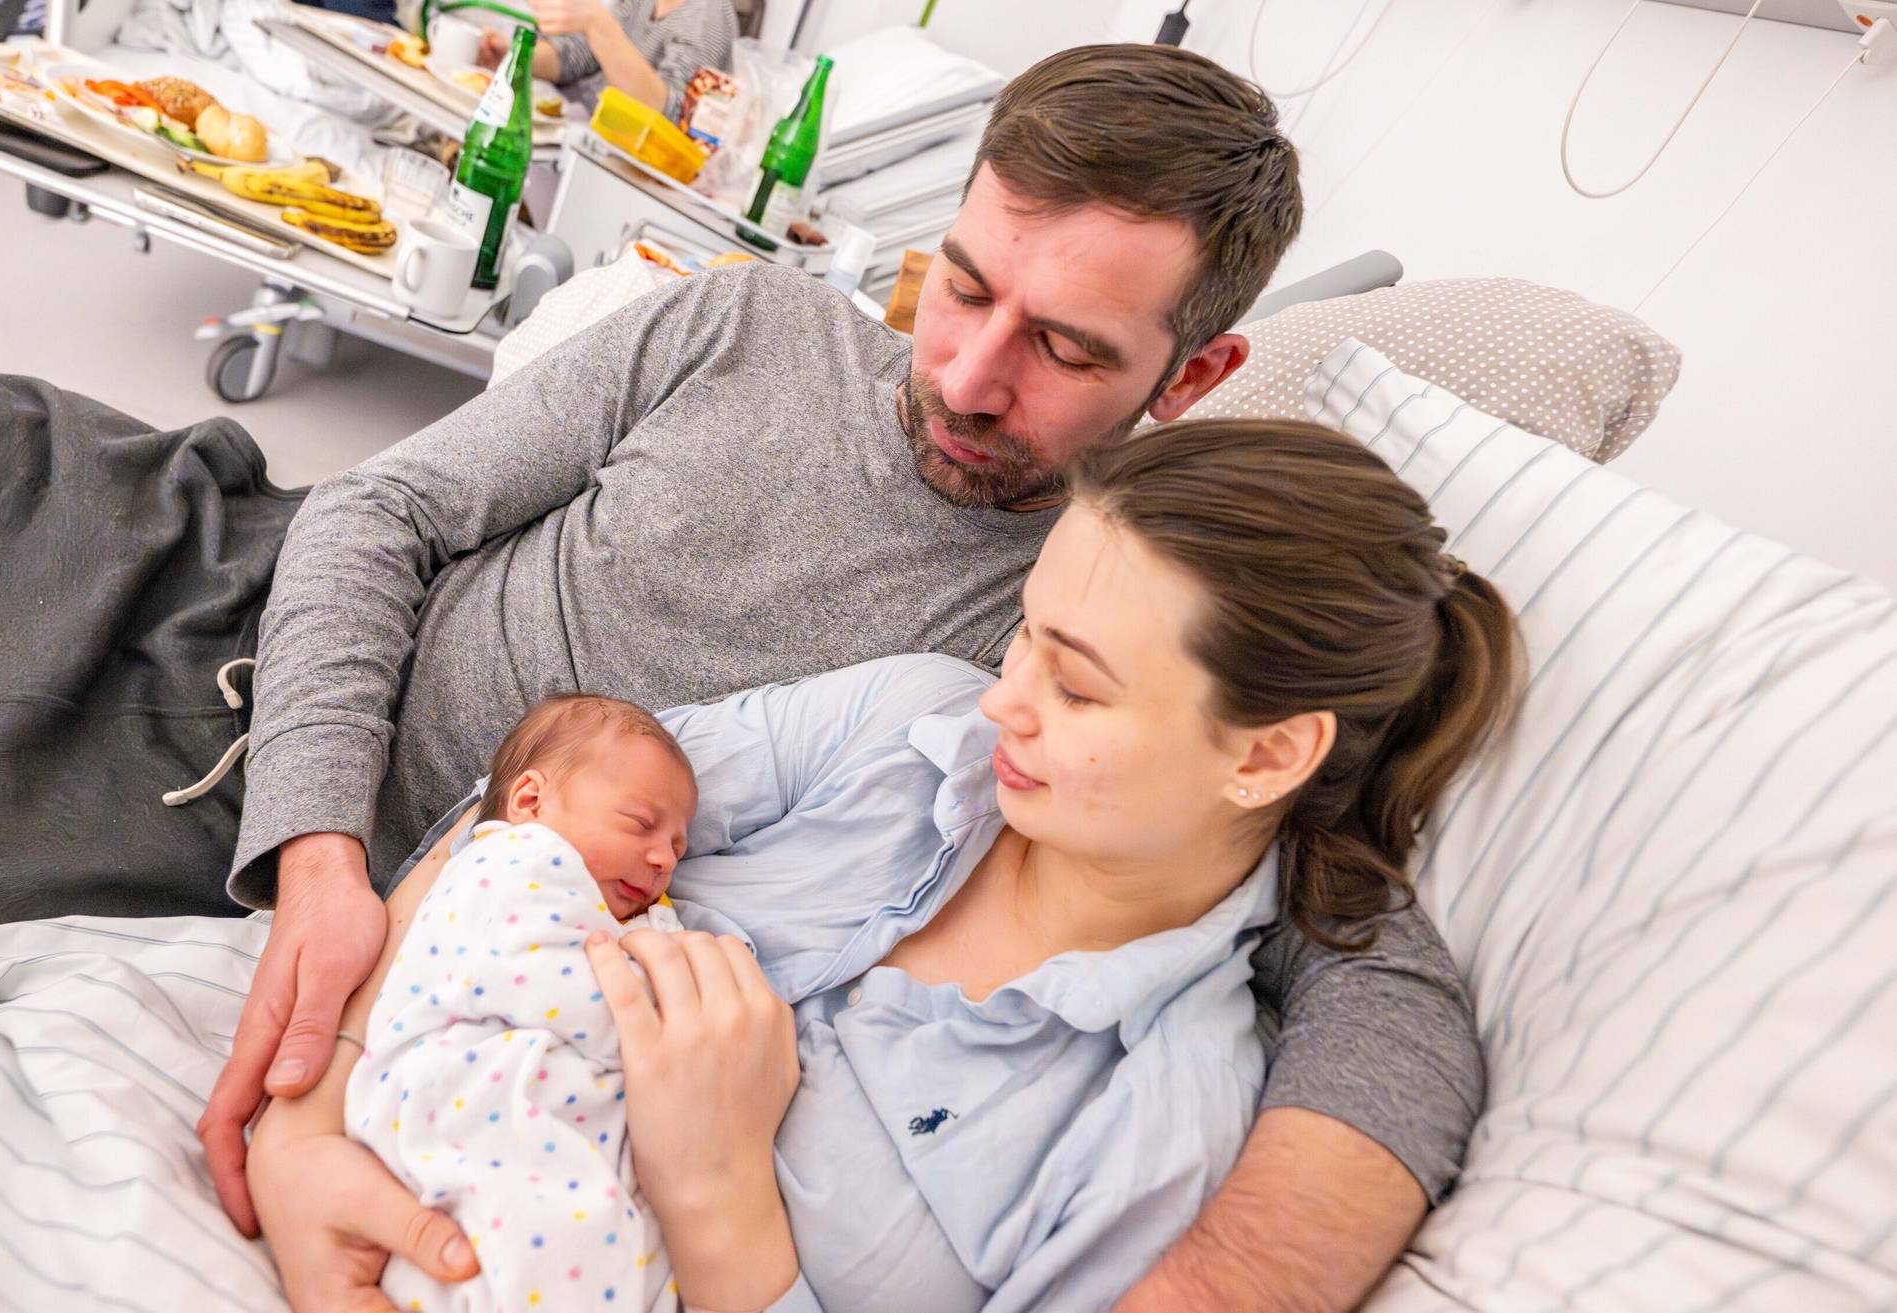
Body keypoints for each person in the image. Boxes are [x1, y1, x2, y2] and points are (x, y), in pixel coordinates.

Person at [201, 44, 1484, 1313]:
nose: (968, 377)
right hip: (255, 657)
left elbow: (1367, 967)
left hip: (302, 859)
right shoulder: (746, 327)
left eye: (1066, 350)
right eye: (963, 288)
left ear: (1191, 377)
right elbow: (378, 511)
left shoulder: (1102, 632)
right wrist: (316, 871)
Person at [247, 418, 1524, 1313]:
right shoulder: (906, 723)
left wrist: (719, 1192)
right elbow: (531, 811)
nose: (1007, 700)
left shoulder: (1152, 1127)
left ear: (1266, 756)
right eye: (1028, 634)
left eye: (1076, 686)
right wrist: (307, 1119)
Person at [347, 694, 699, 1313]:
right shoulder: (515, 860)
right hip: (472, 1096)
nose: (664, 858)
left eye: (678, 848)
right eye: (642, 825)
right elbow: (551, 988)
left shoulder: (591, 898)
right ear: (531, 802)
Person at [477, 0, 737, 121]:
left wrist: (597, 24)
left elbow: (671, 116)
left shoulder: (709, 15)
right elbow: (580, 55)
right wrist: (515, 57)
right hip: (576, 136)